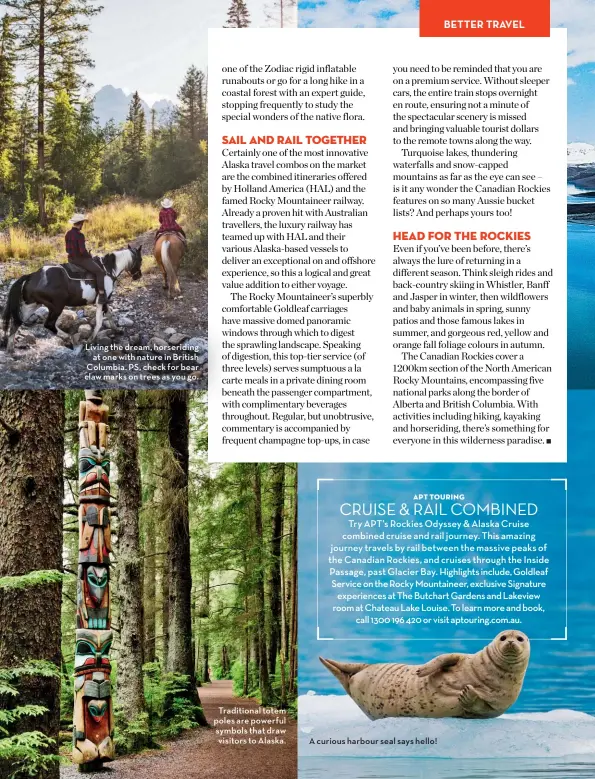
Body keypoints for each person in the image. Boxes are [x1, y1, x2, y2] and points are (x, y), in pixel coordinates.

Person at [65, 214, 107, 304]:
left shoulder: (68, 233)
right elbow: (82, 251)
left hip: (71, 259)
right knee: (100, 272)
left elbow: (67, 249)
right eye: (82, 223)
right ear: (80, 224)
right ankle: (102, 296)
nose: (82, 225)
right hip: (80, 260)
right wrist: (89, 256)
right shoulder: (80, 235)